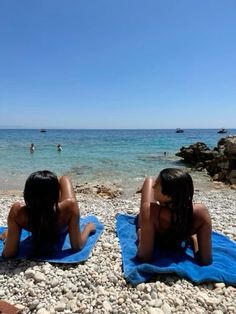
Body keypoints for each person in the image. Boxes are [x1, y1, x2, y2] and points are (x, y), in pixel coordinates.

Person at [0, 170, 96, 258]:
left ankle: (43, 189)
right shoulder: (69, 207)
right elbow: (77, 246)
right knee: (64, 179)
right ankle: (50, 187)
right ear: (56, 196)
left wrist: (7, 239)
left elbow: (9, 254)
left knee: (44, 190)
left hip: (35, 217)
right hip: (58, 217)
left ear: (26, 194)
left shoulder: (18, 212)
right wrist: (88, 228)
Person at [137, 168, 212, 265]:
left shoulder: (149, 211)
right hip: (182, 222)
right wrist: (194, 239)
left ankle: (150, 183)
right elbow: (206, 259)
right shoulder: (200, 212)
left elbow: (144, 257)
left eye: (157, 185)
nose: (153, 187)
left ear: (169, 195)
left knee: (149, 180)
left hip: (151, 221)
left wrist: (140, 236)